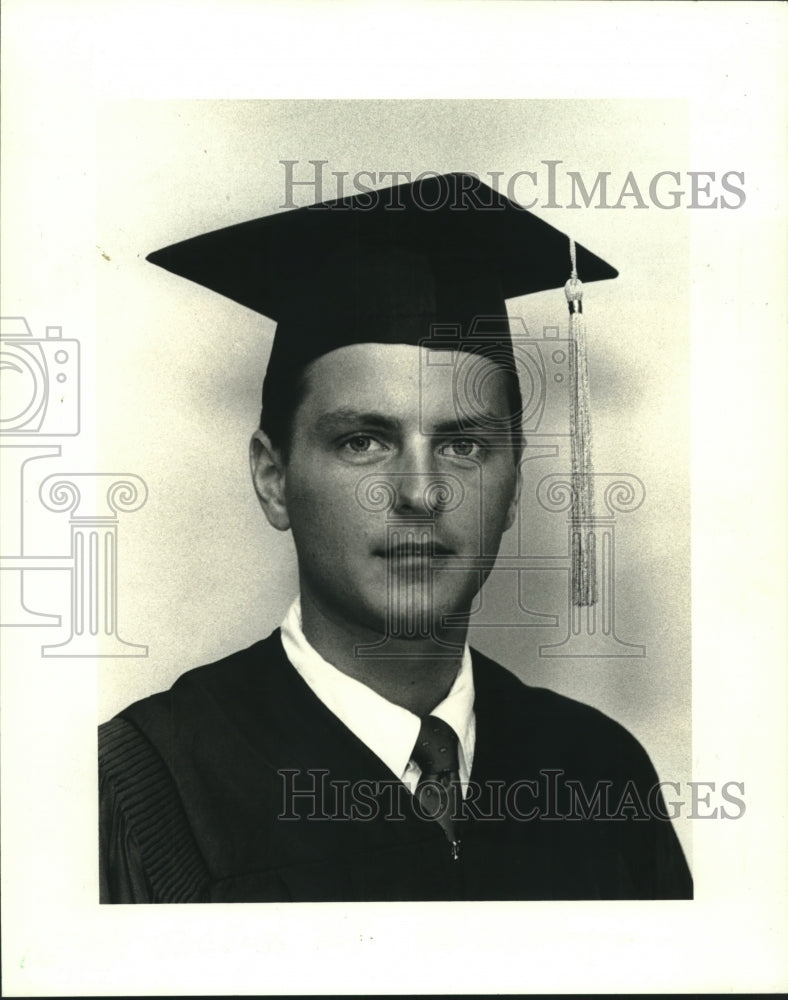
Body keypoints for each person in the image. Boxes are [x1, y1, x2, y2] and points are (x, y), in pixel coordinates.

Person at [99, 173, 692, 903]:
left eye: (465, 447)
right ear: (273, 478)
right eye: (362, 442)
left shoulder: (598, 772)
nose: (419, 491)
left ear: (511, 487)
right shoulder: (152, 784)